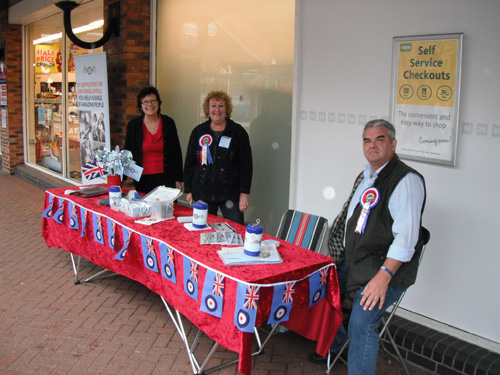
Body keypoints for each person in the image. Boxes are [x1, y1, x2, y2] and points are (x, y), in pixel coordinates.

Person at [308, 119, 426, 375]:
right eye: (367, 140)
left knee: (362, 324)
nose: (372, 145)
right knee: (327, 294)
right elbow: (351, 220)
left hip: (384, 270)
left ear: (393, 145)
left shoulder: (406, 181)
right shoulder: (367, 176)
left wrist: (383, 277)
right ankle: (336, 346)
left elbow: (406, 238)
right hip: (358, 262)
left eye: (379, 139)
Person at [183, 90, 252, 225]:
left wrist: (244, 194)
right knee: (204, 232)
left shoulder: (238, 132)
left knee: (235, 232)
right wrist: (189, 190)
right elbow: (190, 163)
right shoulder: (198, 132)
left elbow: (246, 165)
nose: (217, 110)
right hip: (203, 193)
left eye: (221, 106)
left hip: (230, 194)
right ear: (207, 110)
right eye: (213, 105)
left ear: (227, 110)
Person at [124, 86, 183, 194]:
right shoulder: (134, 125)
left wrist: (178, 178)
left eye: (153, 101)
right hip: (142, 179)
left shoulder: (168, 123)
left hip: (167, 178)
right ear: (141, 106)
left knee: (167, 209)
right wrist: (122, 177)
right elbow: (127, 151)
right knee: (145, 208)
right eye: (145, 102)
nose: (149, 105)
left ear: (158, 103)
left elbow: (176, 152)